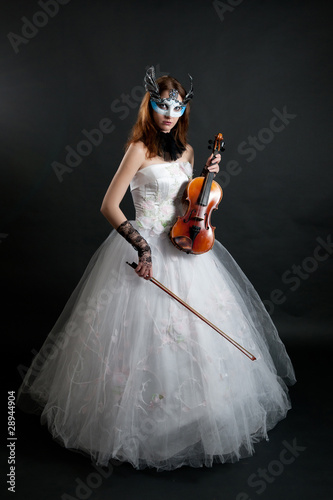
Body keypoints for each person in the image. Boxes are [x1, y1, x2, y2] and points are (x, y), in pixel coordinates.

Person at [17, 66, 296, 471]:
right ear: (149, 106)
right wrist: (143, 247)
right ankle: (137, 426)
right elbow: (109, 206)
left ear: (184, 110)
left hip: (182, 244)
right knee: (138, 342)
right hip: (144, 242)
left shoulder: (187, 153)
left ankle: (194, 418)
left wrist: (207, 180)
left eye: (177, 106)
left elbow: (185, 207)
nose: (169, 113)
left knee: (195, 342)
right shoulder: (138, 149)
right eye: (162, 105)